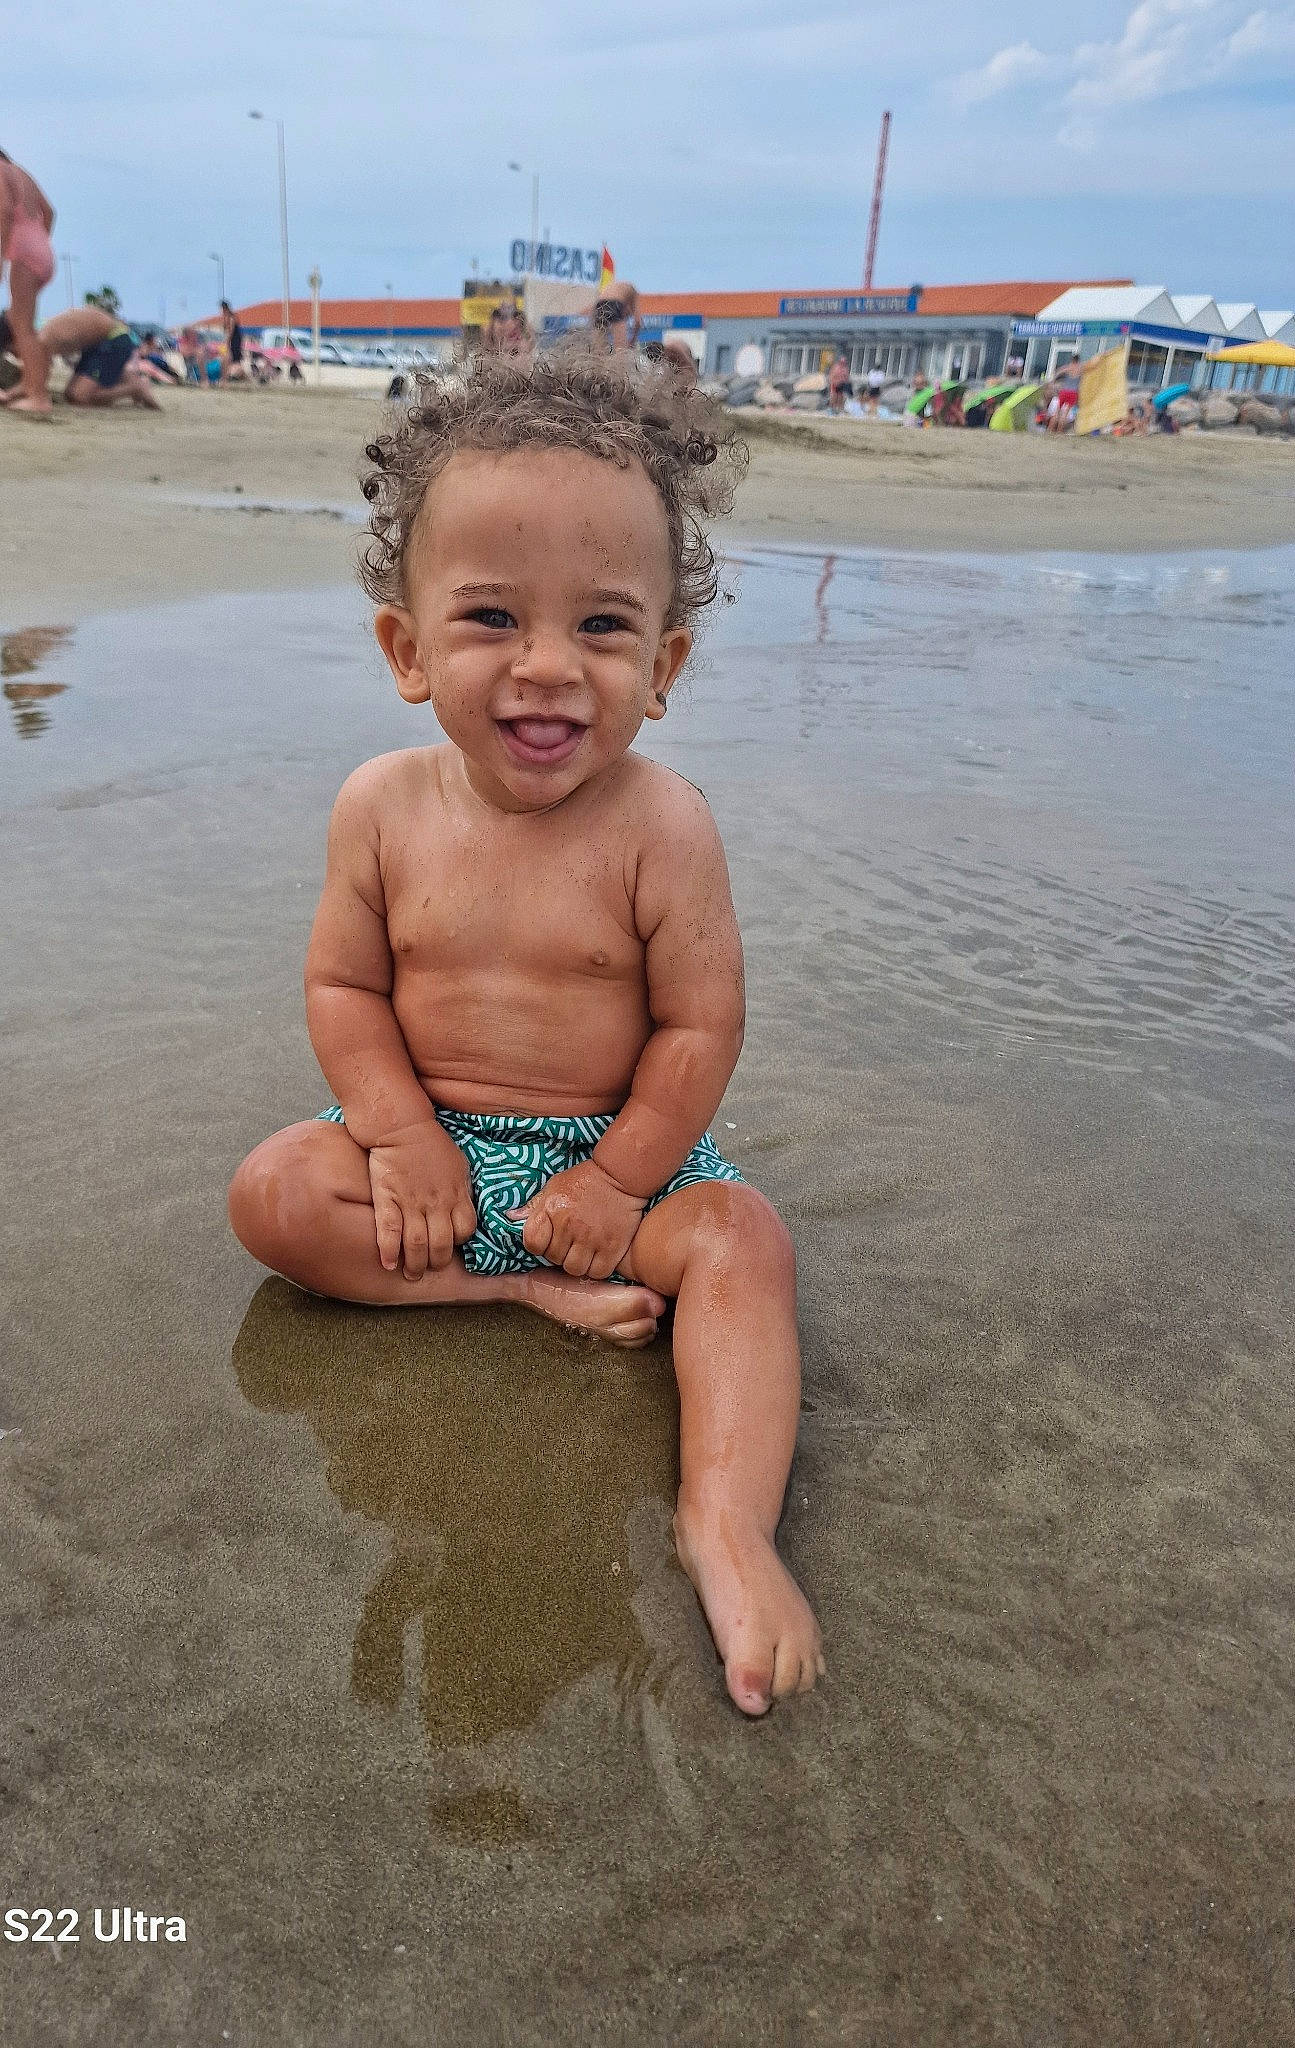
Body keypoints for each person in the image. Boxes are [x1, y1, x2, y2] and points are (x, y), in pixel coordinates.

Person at [227, 348, 825, 1718]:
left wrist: (621, 1183)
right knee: (269, 1194)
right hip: (422, 1160)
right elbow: (344, 994)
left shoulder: (663, 828)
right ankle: (504, 1294)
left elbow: (696, 1024)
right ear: (406, 647)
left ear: (663, 664)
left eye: (602, 629)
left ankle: (725, 1525)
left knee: (744, 1247)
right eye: (492, 615)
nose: (547, 669)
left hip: (618, 1168)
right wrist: (396, 1137)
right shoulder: (379, 808)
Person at [0, 304, 160, 410]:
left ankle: (136, 387)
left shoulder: (41, 338)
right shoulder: (37, 330)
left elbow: (36, 380)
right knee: (70, 394)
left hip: (114, 338)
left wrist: (8, 395)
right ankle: (129, 381)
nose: (15, 355)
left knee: (80, 397)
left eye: (11, 350)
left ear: (16, 340)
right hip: (97, 342)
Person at [0, 150, 57, 414]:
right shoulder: (21, 172)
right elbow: (49, 211)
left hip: (24, 253)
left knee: (22, 327)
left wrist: (2, 255)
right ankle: (30, 385)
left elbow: (4, 212)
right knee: (20, 323)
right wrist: (39, 242)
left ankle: (38, 397)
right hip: (42, 252)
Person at [218, 299, 247, 383]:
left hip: (235, 340)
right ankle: (233, 375)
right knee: (230, 358)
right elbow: (225, 329)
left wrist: (227, 342)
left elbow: (230, 331)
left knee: (235, 358)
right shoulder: (226, 317)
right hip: (231, 340)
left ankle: (240, 375)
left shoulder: (232, 317)